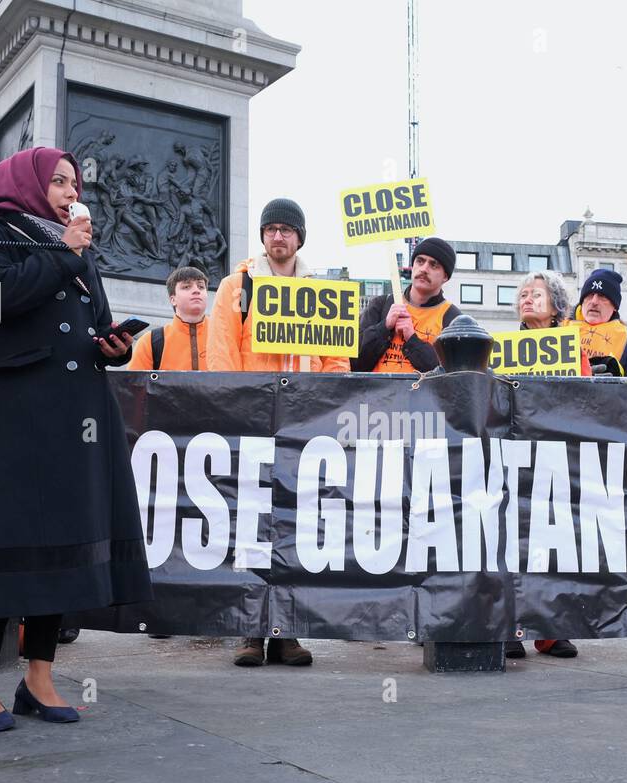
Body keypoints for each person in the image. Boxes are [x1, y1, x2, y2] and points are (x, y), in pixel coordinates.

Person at [0, 147, 153, 730]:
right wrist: (62, 252)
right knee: (0, 539)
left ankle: (38, 677)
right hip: (18, 412)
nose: (68, 191)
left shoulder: (73, 246)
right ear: (25, 182)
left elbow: (95, 321)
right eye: (57, 181)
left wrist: (116, 345)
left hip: (79, 412)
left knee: (66, 540)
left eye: (73, 183)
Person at [208, 198, 348, 666]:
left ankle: (287, 631)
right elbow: (222, 349)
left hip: (302, 425)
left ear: (300, 238)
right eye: (271, 229)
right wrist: (233, 407)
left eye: (288, 229)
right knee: (251, 525)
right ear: (263, 236)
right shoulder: (237, 285)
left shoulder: (322, 290)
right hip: (253, 420)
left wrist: (324, 410)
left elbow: (336, 361)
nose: (279, 237)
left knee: (295, 526)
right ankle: (251, 630)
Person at [504, 269, 583, 660]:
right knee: (513, 544)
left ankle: (552, 628)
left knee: (554, 543)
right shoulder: (503, 350)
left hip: (557, 457)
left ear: (556, 307)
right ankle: (510, 627)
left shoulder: (575, 349)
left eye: (536, 294)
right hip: (517, 458)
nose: (527, 299)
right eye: (523, 295)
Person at [353, 237, 460, 373]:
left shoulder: (452, 318)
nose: (424, 269)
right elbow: (354, 362)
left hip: (423, 394)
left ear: (445, 276)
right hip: (376, 393)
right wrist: (384, 327)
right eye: (420, 261)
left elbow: (452, 377)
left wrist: (412, 339)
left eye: (434, 265)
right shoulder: (381, 305)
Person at [568, 269, 627, 376]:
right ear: (582, 302)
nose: (594, 302)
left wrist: (614, 384)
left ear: (615, 307)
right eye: (590, 295)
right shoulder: (558, 329)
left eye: (603, 296)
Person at [128, 266, 210, 371]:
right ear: (173, 299)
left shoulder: (225, 336)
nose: (196, 290)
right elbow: (134, 385)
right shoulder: (149, 341)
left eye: (201, 287)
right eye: (186, 287)